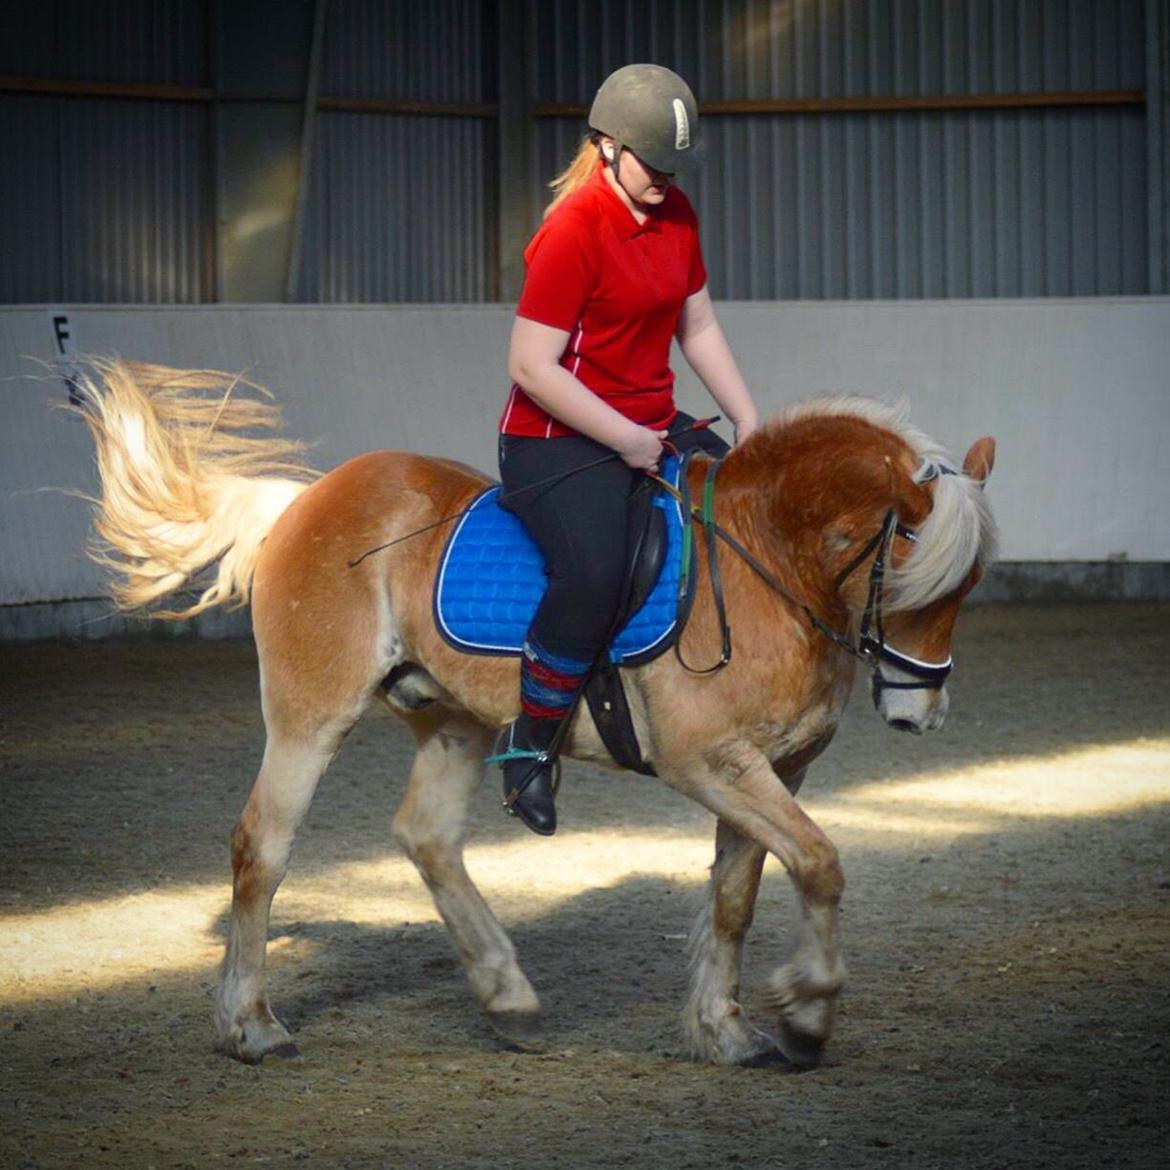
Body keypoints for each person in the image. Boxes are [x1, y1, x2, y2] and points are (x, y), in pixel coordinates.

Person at [493, 63, 760, 836]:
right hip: (555, 439)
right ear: (606, 147)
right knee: (596, 568)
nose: (666, 181)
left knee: (744, 511)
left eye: (676, 167)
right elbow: (530, 366)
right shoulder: (572, 230)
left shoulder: (675, 213)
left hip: (648, 420)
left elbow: (698, 326)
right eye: (653, 163)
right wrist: (624, 438)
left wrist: (748, 420)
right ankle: (530, 743)